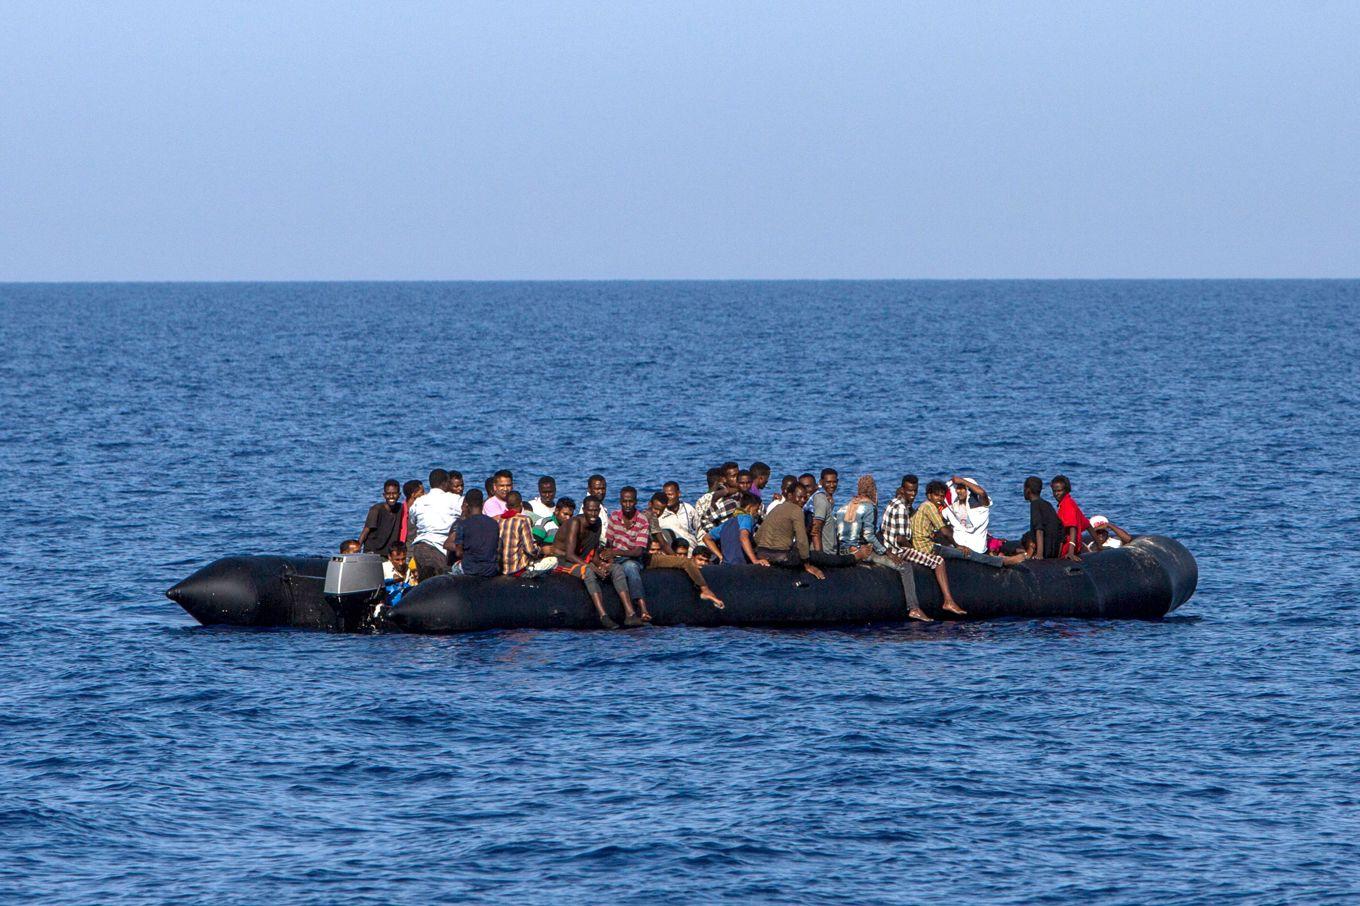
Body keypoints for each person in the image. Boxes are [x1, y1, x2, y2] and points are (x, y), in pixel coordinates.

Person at [754, 483, 852, 580]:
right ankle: (853, 557)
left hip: (762, 554)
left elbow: (758, 536)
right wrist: (807, 565)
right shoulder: (797, 510)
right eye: (799, 497)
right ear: (790, 495)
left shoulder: (776, 508)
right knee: (817, 556)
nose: (802, 501)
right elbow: (802, 540)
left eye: (805, 498)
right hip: (781, 557)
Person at [554, 495, 619, 629]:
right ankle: (603, 615)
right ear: (583, 510)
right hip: (561, 560)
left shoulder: (598, 523)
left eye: (596, 511)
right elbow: (570, 555)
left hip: (579, 559)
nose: (593, 514)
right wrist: (593, 568)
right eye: (590, 510)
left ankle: (630, 612)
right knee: (588, 571)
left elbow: (592, 552)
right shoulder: (575, 523)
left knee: (616, 568)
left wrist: (601, 565)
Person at [907, 481, 967, 614]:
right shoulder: (929, 507)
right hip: (925, 548)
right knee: (966, 554)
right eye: (937, 496)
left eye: (942, 496)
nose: (940, 499)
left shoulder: (923, 507)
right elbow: (944, 531)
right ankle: (948, 600)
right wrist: (957, 546)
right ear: (929, 495)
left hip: (925, 544)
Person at [607, 486, 653, 624]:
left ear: (636, 502)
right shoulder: (614, 517)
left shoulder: (642, 521)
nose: (627, 505)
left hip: (633, 558)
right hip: (616, 559)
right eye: (624, 501)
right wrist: (609, 558)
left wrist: (616, 552)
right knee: (618, 569)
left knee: (630, 567)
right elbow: (609, 542)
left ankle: (643, 608)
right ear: (620, 501)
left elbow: (638, 551)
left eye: (631, 501)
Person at [408, 469, 462, 578]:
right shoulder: (455, 500)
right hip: (440, 550)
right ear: (445, 483)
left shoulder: (419, 502)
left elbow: (412, 520)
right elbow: (467, 515)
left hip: (420, 549)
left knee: (424, 587)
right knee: (443, 585)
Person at [449, 489, 499, 577]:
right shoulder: (493, 523)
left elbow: (458, 553)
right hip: (490, 570)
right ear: (483, 503)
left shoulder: (463, 524)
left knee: (454, 568)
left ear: (467, 505)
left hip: (470, 569)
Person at [713, 493, 768, 565]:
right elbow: (744, 537)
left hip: (726, 564)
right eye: (756, 509)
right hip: (739, 564)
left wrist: (720, 556)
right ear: (750, 507)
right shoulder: (747, 518)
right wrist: (755, 560)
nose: (757, 512)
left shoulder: (727, 523)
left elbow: (707, 538)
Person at [495, 490, 541, 576]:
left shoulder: (500, 520)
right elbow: (530, 549)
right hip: (517, 569)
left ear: (506, 506)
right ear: (521, 505)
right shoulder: (523, 520)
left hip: (501, 568)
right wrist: (539, 550)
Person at [943, 475, 992, 554]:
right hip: (959, 550)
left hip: (978, 550)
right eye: (957, 488)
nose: (958, 491)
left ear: (969, 491)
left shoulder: (981, 508)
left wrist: (962, 481)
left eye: (962, 488)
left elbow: (982, 493)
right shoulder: (952, 508)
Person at [1051, 475, 1092, 560]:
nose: (1056, 494)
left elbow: (1072, 527)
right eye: (1054, 491)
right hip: (1073, 547)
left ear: (1066, 490)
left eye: (1059, 491)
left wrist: (1070, 552)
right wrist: (1099, 546)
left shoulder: (1067, 504)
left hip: (1066, 549)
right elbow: (1088, 525)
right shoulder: (1071, 503)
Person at [1021, 476, 1063, 559]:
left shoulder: (1035, 505)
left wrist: (1040, 554)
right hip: (1054, 550)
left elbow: (1039, 529)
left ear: (1028, 490)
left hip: (1045, 551)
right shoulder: (1047, 504)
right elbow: (1060, 528)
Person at [358, 479, 403, 557]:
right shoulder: (376, 510)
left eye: (394, 493)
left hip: (389, 553)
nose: (391, 496)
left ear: (399, 495)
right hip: (373, 552)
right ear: (384, 495)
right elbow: (366, 531)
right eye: (388, 494)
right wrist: (358, 548)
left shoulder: (401, 508)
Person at [880, 475, 918, 546]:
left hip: (886, 543)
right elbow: (900, 539)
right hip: (897, 550)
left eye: (915, 491)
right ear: (902, 490)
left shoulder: (893, 501)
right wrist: (913, 548)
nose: (913, 494)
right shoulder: (901, 508)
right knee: (936, 557)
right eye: (910, 491)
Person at [660, 481, 699, 547]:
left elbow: (699, 530)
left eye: (670, 494)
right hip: (671, 553)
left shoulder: (688, 509)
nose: (667, 498)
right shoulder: (659, 513)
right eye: (665, 495)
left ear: (679, 494)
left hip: (691, 550)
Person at [808, 468, 839, 552]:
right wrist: (820, 556)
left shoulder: (828, 499)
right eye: (828, 482)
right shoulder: (821, 500)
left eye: (834, 482)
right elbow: (816, 529)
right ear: (821, 482)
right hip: (824, 552)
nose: (832, 485)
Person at [586, 474, 610, 545]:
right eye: (597, 489)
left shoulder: (599, 504)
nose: (601, 492)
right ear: (589, 489)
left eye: (603, 488)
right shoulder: (589, 507)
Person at [398, 479, 423, 544]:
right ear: (413, 494)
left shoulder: (423, 509)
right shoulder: (400, 510)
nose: (425, 494)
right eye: (422, 492)